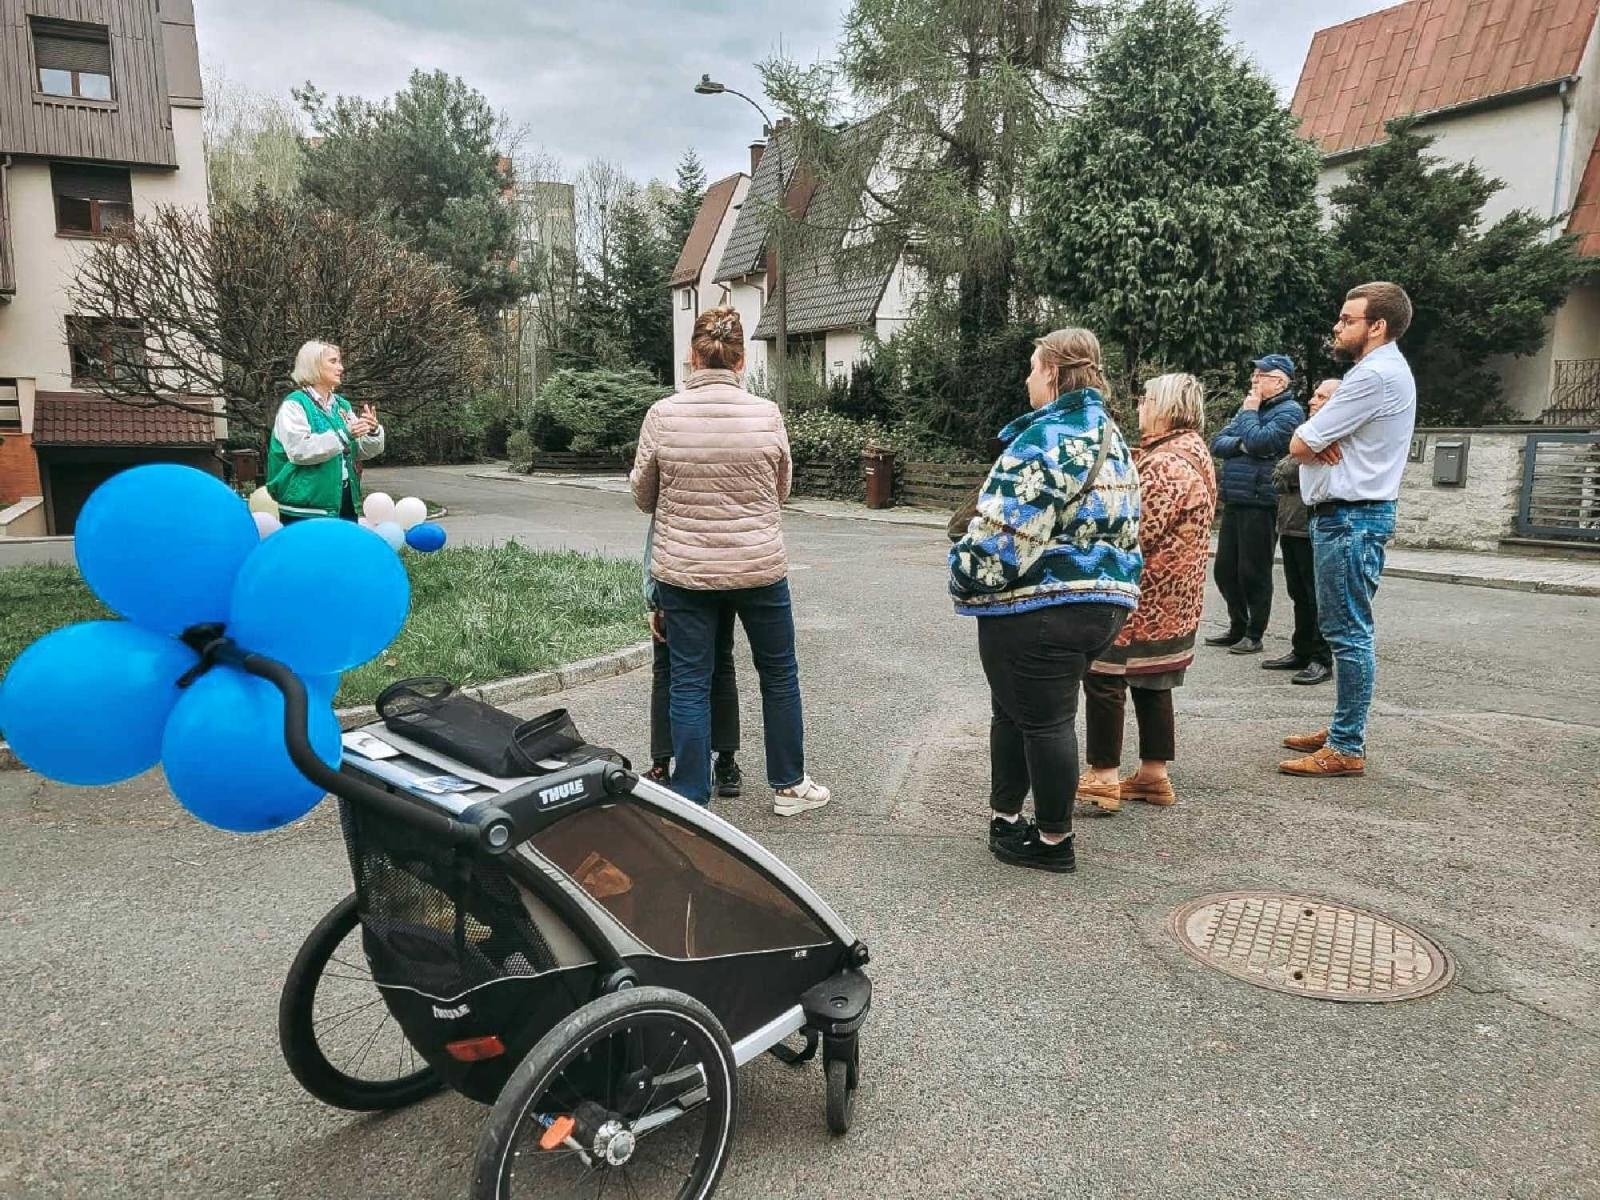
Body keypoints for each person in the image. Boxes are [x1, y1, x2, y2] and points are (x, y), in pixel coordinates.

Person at [949, 328, 1142, 874]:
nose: (1026, 378)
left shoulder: (1046, 439)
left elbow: (1004, 539)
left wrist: (960, 575)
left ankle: (1055, 840)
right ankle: (1006, 817)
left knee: (1041, 719)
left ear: (1054, 374)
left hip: (1039, 606)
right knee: (1022, 710)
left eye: (1033, 368)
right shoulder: (1110, 435)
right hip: (1103, 603)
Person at [630, 307, 830, 815]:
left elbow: (643, 496)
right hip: (759, 567)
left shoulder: (663, 415)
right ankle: (788, 785)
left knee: (689, 680)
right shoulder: (767, 415)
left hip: (685, 571)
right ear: (741, 361)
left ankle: (691, 796)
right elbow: (781, 489)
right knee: (779, 674)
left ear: (693, 356)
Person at [1280, 282, 1417, 778]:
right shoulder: (1376, 372)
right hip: (1348, 517)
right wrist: (1318, 442)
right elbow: (1309, 442)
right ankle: (1344, 725)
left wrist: (1314, 442)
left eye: (1347, 319)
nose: (1338, 328)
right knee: (1343, 630)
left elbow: (1298, 442)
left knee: (1347, 632)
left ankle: (1346, 745)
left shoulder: (1373, 376)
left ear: (1376, 325)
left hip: (1351, 518)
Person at [1078, 374, 1217, 813]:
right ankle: (1153, 775)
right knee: (1153, 681)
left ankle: (1103, 776)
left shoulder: (1166, 465)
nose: (1139, 404)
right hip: (1176, 595)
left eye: (1146, 398)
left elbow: (1135, 528)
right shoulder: (1191, 452)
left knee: (1104, 676)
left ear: (1167, 407)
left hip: (1146, 595)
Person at [1206, 355, 1305, 655]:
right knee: (1224, 570)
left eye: (1261, 375)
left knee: (1254, 571)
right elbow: (1217, 442)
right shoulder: (1249, 409)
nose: (1254, 379)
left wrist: (1249, 424)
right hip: (1236, 497)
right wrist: (1241, 443)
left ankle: (1254, 632)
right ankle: (1236, 624)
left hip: (1262, 502)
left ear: (1279, 381)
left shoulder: (1290, 412)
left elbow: (1264, 443)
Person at [642, 520, 742, 796]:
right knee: (722, 663)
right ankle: (726, 763)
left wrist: (652, 596)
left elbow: (651, 511)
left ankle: (662, 764)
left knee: (668, 669)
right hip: (726, 569)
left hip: (678, 570)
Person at [1264, 378, 1337, 686]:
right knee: (1298, 594)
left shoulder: (1335, 431)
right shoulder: (1310, 432)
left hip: (1312, 527)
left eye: (1321, 396)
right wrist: (1299, 461)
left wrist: (1297, 463)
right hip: (1291, 525)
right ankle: (1301, 648)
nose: (1312, 400)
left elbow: (1291, 468)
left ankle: (1321, 657)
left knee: (1315, 594)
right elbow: (1282, 470)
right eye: (1314, 394)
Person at [265, 341, 384, 523]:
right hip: (305, 508)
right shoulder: (295, 404)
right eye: (333, 361)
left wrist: (372, 431)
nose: (341, 368)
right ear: (314, 365)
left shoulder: (342, 405)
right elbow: (299, 450)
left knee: (342, 552)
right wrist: (345, 434)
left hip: (343, 501)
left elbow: (358, 451)